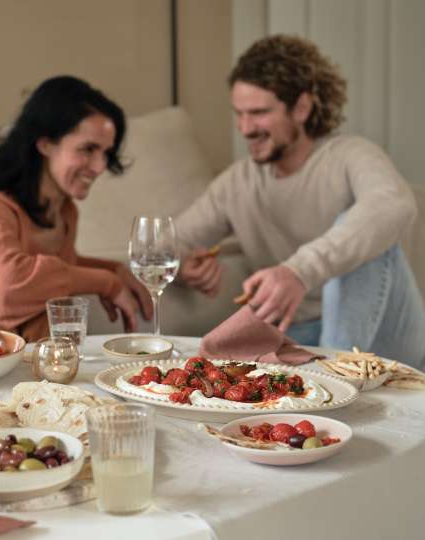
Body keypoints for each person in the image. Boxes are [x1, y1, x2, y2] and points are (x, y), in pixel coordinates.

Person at [177, 34, 425, 368]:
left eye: (259, 113)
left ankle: (336, 378)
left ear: (302, 108)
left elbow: (394, 204)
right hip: (297, 336)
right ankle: (326, 373)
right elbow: (170, 241)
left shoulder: (350, 154)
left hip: (386, 333)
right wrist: (182, 263)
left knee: (363, 227)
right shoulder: (238, 181)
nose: (245, 128)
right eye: (239, 113)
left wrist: (298, 271)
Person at [0, 76, 152, 342]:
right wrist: (106, 283)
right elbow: (8, 290)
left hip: (49, 366)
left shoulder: (66, 211)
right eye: (88, 149)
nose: (100, 167)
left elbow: (60, 269)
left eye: (106, 152)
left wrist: (114, 269)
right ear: (45, 143)